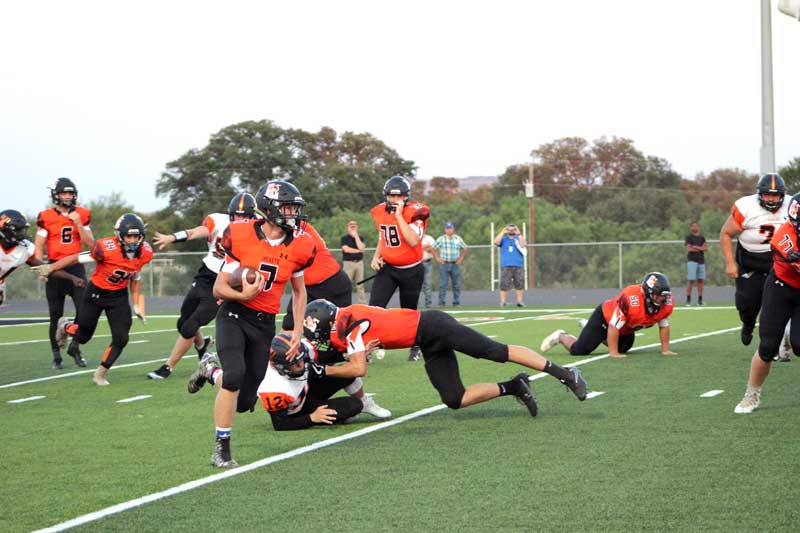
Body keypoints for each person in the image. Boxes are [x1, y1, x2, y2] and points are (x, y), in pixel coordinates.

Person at [186, 180, 316, 469]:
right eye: (287, 207)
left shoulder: (301, 246)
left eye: (295, 208)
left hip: (264, 324)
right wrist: (242, 294)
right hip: (234, 314)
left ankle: (210, 370)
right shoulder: (240, 235)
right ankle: (221, 449)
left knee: (245, 401)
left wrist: (296, 331)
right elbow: (219, 288)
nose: (293, 214)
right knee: (235, 377)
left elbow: (299, 291)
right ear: (269, 208)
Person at [302, 299, 588, 418]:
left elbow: (359, 369)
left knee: (495, 352)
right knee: (454, 398)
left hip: (433, 326)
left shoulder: (345, 326)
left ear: (329, 322)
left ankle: (565, 374)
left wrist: (322, 370)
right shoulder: (346, 314)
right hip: (426, 340)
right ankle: (515, 386)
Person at [146, 192, 257, 380]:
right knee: (183, 322)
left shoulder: (258, 231)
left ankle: (167, 367)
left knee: (190, 326)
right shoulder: (218, 221)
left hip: (227, 282)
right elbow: (196, 232)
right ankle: (202, 345)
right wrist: (172, 237)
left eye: (245, 216)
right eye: (237, 216)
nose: (240, 220)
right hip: (206, 274)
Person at [34, 214, 153, 385]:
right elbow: (76, 257)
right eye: (129, 236)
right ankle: (65, 325)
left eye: (136, 236)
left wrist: (137, 304)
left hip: (118, 296)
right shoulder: (106, 248)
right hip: (96, 294)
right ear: (120, 235)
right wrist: (51, 267)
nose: (133, 240)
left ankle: (100, 373)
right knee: (83, 337)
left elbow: (136, 276)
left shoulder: (146, 252)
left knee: (122, 338)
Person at [734, 192, 800, 414]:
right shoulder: (785, 235)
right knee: (767, 346)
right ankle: (751, 395)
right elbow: (791, 254)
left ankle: (791, 335)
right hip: (781, 287)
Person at [257, 333, 391, 430]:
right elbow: (280, 424)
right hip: (301, 409)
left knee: (348, 372)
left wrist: (353, 355)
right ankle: (355, 408)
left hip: (308, 386)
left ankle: (365, 401)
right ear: (281, 367)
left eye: (301, 358)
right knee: (354, 406)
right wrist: (311, 418)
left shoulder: (302, 350)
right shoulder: (273, 387)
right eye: (295, 363)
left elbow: (323, 356)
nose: (301, 364)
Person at [720, 173, 790, 353]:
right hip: (750, 260)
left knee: (774, 303)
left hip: (778, 260)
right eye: (768, 194)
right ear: (760, 194)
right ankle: (748, 323)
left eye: (775, 195)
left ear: (782, 196)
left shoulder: (791, 206)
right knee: (747, 304)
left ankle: (774, 345)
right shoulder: (746, 208)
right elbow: (726, 234)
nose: (772, 199)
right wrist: (730, 263)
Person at [540, 272, 676, 358]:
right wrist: (613, 353)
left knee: (624, 348)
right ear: (647, 292)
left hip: (626, 328)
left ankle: (590, 330)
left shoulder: (665, 303)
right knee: (579, 350)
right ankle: (561, 336)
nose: (661, 300)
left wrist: (665, 350)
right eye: (657, 295)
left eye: (663, 296)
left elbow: (663, 325)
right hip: (606, 318)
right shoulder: (631, 298)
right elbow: (614, 325)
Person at [368, 176, 430, 361]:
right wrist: (376, 256)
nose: (395, 200)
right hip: (389, 269)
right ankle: (367, 348)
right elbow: (384, 236)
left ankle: (416, 345)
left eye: (399, 197)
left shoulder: (416, 211)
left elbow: (412, 240)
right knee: (374, 309)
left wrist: (398, 216)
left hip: (411, 270)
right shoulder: (380, 211)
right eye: (391, 196)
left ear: (406, 197)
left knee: (408, 312)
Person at [35, 177, 94, 369]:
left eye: (70, 193)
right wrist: (40, 268)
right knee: (55, 314)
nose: (67, 196)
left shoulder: (82, 214)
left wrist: (77, 223)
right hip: (55, 269)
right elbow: (39, 245)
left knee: (84, 312)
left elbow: (90, 244)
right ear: (56, 195)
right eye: (64, 193)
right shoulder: (46, 216)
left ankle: (75, 346)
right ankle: (56, 357)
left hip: (76, 266)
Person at [0, 209, 85, 314]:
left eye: (22, 230)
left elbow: (46, 268)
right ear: (5, 230)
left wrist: (72, 278)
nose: (21, 234)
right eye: (17, 230)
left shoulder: (23, 249)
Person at [280, 221, 352, 336]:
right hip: (306, 287)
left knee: (341, 333)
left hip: (331, 283)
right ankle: (280, 354)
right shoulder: (281, 231)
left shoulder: (300, 230)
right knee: (289, 326)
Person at [433, 222, 467, 307]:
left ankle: (456, 302)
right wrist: (437, 258)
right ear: (445, 230)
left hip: (455, 264)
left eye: (450, 228)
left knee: (456, 284)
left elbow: (465, 248)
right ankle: (441, 303)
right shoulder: (441, 239)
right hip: (444, 264)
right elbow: (433, 248)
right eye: (447, 228)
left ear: (453, 229)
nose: (449, 230)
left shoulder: (458, 238)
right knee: (443, 284)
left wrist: (461, 258)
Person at [494, 223, 526, 307]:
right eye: (510, 229)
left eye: (513, 229)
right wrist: (503, 232)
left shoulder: (518, 238)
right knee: (504, 284)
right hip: (506, 264)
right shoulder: (504, 239)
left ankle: (519, 301)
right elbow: (496, 242)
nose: (511, 231)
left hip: (518, 264)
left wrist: (518, 234)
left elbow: (523, 245)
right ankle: (503, 301)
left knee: (519, 284)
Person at [340, 220, 367, 304]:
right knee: (346, 285)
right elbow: (346, 249)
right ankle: (345, 303)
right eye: (351, 225)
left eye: (354, 224)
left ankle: (362, 304)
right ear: (347, 227)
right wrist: (358, 251)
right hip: (348, 264)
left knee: (360, 285)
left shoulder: (360, 238)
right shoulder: (344, 238)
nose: (353, 226)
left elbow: (361, 248)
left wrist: (356, 236)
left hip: (359, 263)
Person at [684, 221, 708, 306]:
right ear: (691, 228)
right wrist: (700, 248)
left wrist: (696, 247)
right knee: (691, 280)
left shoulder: (702, 238)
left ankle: (700, 300)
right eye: (693, 226)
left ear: (698, 227)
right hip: (692, 261)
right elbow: (689, 249)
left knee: (700, 280)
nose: (694, 228)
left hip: (701, 261)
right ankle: (688, 300)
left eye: (696, 226)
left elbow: (705, 248)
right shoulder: (689, 238)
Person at [420, 232, 436, 308]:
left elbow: (432, 250)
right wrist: (426, 246)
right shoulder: (415, 237)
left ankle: (428, 303)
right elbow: (414, 248)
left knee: (428, 284)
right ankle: (414, 303)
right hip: (417, 263)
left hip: (427, 262)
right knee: (417, 284)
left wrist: (421, 247)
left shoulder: (430, 238)